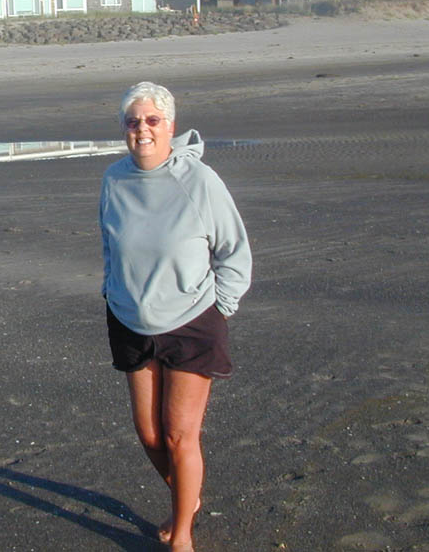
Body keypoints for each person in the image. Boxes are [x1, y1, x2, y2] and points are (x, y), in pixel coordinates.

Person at [99, 82, 251, 552]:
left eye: (151, 120)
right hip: (129, 319)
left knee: (179, 434)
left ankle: (182, 533)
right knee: (149, 433)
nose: (141, 130)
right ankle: (188, 496)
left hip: (190, 323)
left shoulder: (199, 181)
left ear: (170, 126)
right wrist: (112, 292)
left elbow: (234, 254)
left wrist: (218, 310)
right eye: (132, 121)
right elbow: (110, 245)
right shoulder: (114, 180)